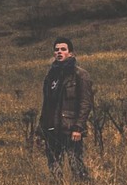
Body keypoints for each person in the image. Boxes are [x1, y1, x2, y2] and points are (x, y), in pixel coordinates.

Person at [39, 37, 92, 177]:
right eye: (56, 50)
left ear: (71, 53)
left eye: (63, 49)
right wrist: (42, 127)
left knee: (76, 165)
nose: (59, 52)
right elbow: (47, 104)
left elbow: (85, 103)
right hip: (51, 128)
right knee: (54, 166)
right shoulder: (51, 75)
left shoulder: (80, 75)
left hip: (70, 128)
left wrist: (78, 128)